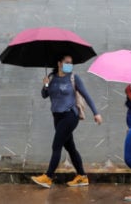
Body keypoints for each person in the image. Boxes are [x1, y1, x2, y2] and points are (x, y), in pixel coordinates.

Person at [31, 54, 103, 189]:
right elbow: (44, 95)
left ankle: (48, 177)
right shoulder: (52, 78)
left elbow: (87, 96)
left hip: (70, 115)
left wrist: (96, 113)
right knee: (70, 147)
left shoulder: (73, 78)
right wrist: (46, 84)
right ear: (59, 63)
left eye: (71, 63)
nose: (70, 65)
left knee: (56, 145)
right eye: (67, 62)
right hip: (57, 117)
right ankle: (82, 176)